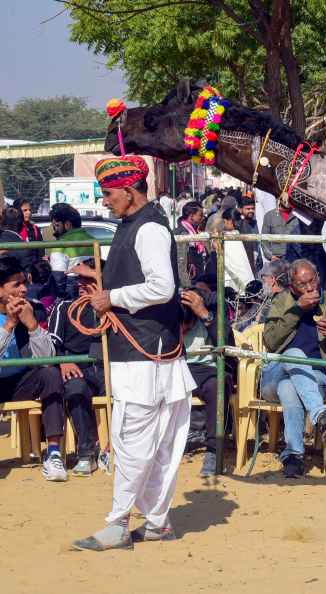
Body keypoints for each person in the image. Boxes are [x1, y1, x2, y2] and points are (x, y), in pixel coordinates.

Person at [73, 155, 196, 551]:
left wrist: (112, 296)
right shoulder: (137, 225)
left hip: (147, 356)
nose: (104, 200)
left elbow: (162, 287)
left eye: (108, 194)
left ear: (129, 191)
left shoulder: (149, 230)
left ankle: (119, 523)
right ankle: (156, 521)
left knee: (135, 442)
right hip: (148, 353)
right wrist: (104, 279)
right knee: (152, 443)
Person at [261, 259, 326, 478]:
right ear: (292, 286)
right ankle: (321, 414)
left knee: (289, 388)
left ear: (318, 277)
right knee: (293, 356)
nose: (310, 288)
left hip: (315, 378)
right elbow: (270, 342)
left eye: (312, 281)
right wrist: (296, 311)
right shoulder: (281, 302)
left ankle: (293, 456)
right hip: (274, 376)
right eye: (302, 284)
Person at [0, 256, 66, 482]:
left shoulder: (34, 309)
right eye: (15, 284)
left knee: (49, 374)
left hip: (20, 381)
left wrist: (32, 326)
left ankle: (54, 454)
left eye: (24, 283)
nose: (23, 289)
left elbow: (47, 359)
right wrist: (9, 325)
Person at [47, 259, 106, 477]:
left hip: (107, 367)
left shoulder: (113, 308)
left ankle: (117, 451)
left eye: (87, 279)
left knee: (128, 389)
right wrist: (63, 360)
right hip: (77, 367)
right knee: (75, 389)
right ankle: (86, 453)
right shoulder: (64, 307)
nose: (81, 284)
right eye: (78, 279)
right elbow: (52, 344)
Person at [180, 286, 233, 477]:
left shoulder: (211, 312)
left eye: (187, 325)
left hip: (209, 368)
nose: (184, 330)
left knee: (217, 385)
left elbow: (227, 342)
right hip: (179, 366)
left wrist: (204, 314)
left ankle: (213, 450)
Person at [47, 203, 93, 298]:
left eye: (57, 225)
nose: (55, 230)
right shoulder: (93, 241)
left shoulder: (60, 244)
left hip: (70, 292)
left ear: (67, 225)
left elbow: (58, 279)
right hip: (91, 288)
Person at [206, 209, 254, 293]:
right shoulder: (240, 233)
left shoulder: (228, 237)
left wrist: (214, 233)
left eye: (224, 222)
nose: (223, 225)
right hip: (245, 279)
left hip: (234, 282)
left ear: (230, 221)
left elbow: (215, 246)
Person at [174, 201, 208, 282]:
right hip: (189, 277)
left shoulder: (193, 229)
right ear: (191, 216)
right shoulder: (183, 232)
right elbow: (181, 260)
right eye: (200, 215)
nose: (202, 217)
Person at [12, 198, 44, 266]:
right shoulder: (12, 230)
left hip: (35, 267)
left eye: (29, 210)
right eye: (25, 210)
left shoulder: (34, 228)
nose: (28, 212)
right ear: (17, 211)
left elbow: (41, 251)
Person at [239, 194, 260, 275]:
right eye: (248, 209)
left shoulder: (257, 222)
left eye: (252, 208)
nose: (251, 211)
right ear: (241, 209)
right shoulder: (238, 225)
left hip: (257, 261)